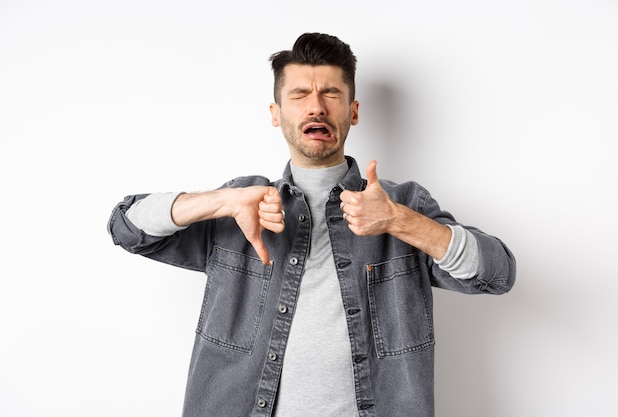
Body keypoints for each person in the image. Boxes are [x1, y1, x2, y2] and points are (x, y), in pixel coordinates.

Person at [107, 32, 516, 417]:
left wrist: (398, 220)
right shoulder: (241, 205)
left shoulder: (403, 203)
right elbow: (126, 226)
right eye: (300, 94)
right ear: (276, 113)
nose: (316, 106)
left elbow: (497, 273)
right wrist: (221, 200)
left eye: (331, 94)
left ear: (353, 112)